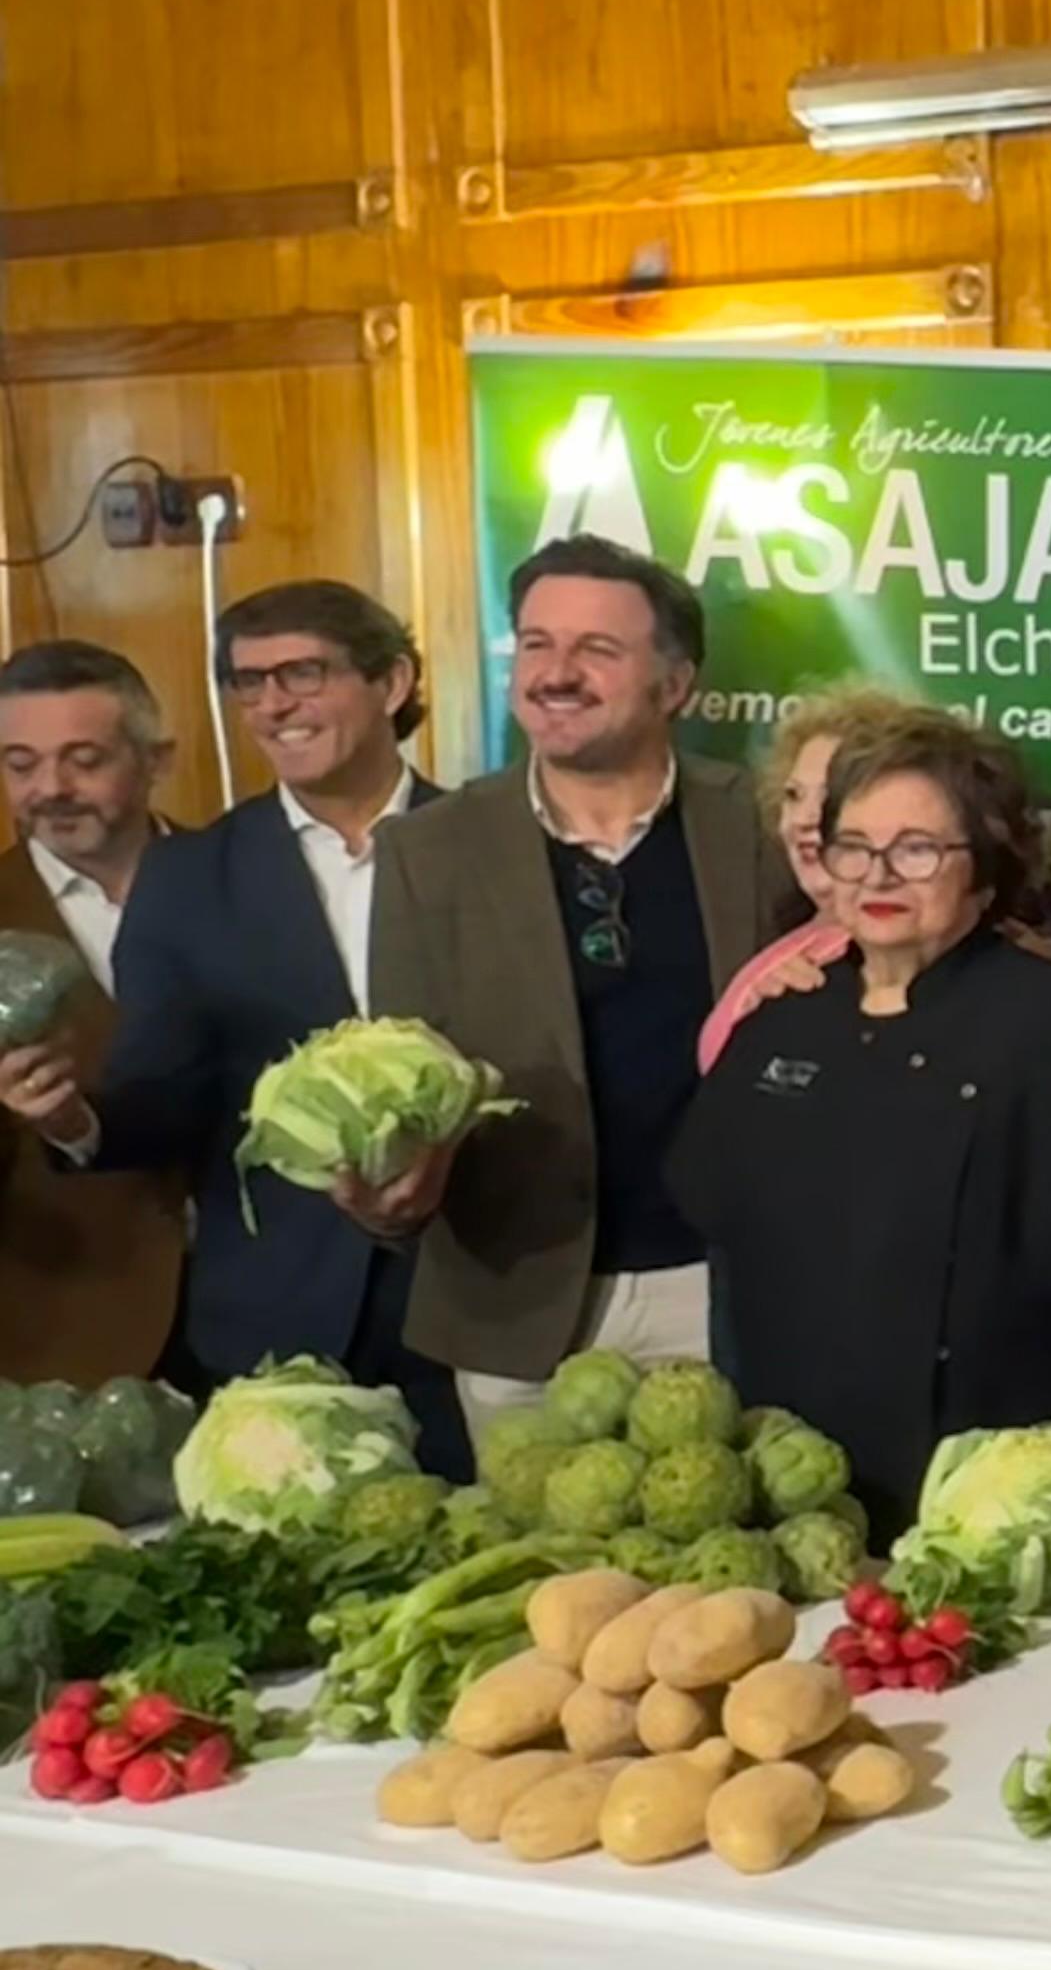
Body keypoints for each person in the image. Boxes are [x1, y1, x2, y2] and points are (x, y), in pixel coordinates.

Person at [672, 713, 1051, 1527]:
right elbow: (728, 1260)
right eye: (854, 845)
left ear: (984, 871)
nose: (880, 876)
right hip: (797, 1498)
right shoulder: (777, 1026)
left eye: (918, 849)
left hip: (990, 1497)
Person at [0, 588, 467, 1441]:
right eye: (249, 684)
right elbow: (160, 1095)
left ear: (392, 681)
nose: (272, 704)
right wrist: (73, 1120)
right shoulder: (189, 879)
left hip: (479, 1302)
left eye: (301, 673)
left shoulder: (490, 846)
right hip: (278, 1325)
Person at [366, 537, 802, 1425]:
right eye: (535, 644)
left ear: (674, 685)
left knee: (732, 1559)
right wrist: (386, 1187)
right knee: (545, 1568)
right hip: (518, 1307)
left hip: (731, 1288)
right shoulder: (428, 849)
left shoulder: (765, 826)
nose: (555, 673)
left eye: (596, 650)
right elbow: (399, 1075)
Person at [0, 640, 185, 1383]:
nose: (52, 787)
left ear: (155, 759)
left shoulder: (252, 884)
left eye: (84, 759)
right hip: (67, 1345)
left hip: (270, 1323)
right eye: (20, 764)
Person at [697, 685, 921, 1071]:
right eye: (794, 795)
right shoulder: (799, 934)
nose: (804, 819)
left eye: (830, 796)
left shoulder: (894, 950)